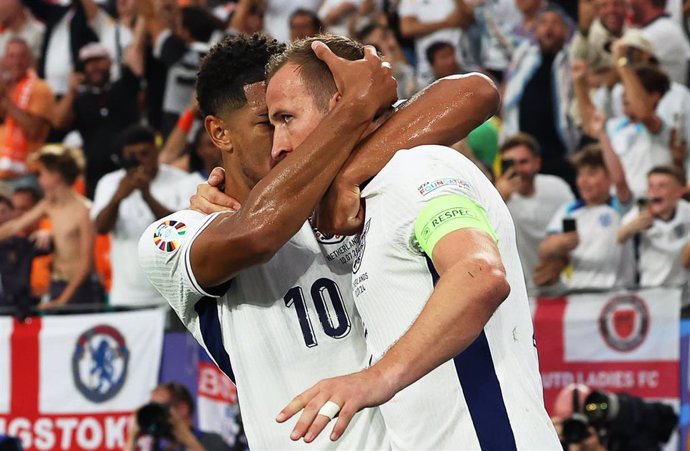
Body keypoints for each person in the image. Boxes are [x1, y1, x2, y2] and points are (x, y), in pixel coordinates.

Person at [139, 32, 498, 448]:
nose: (280, 141)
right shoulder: (176, 234)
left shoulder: (349, 187)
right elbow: (258, 233)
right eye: (266, 122)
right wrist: (356, 110)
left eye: (287, 117)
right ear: (220, 134)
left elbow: (474, 92)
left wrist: (349, 172)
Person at [265, 35, 557, 449]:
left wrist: (376, 379)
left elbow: (479, 274)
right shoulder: (369, 196)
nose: (277, 146)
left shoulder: (417, 169)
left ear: (340, 107)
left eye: (286, 118)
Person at [92, 125, 199, 308]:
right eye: (131, 155)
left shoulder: (184, 181)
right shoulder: (109, 182)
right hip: (126, 296)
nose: (139, 160)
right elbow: (101, 228)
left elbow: (184, 232)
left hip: (174, 298)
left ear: (156, 152)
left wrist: (147, 196)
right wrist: (118, 197)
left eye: (144, 153)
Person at [0, 145, 102, 309]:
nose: (39, 180)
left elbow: (86, 264)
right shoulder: (48, 205)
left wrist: (62, 300)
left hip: (81, 289)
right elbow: (14, 227)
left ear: (56, 176)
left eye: (41, 174)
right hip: (57, 285)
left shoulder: (84, 211)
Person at [52, 42, 143, 199]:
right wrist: (72, 90)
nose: (95, 67)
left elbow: (136, 58)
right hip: (96, 175)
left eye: (99, 60)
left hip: (131, 167)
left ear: (110, 62)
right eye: (89, 63)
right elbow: (58, 122)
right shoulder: (79, 100)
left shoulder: (124, 87)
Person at [538, 145, 634, 291]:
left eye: (591, 174)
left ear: (609, 176)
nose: (583, 181)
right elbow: (544, 251)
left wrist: (601, 132)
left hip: (617, 295)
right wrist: (560, 243)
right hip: (577, 295)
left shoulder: (622, 207)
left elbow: (621, 182)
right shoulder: (568, 210)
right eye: (580, 175)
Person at [503, 7, 578, 187]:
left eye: (555, 23)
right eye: (543, 23)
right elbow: (507, 96)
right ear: (535, 30)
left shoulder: (572, 59)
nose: (549, 28)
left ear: (566, 30)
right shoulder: (524, 58)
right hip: (522, 151)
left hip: (558, 153)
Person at [495, 133, 574, 294]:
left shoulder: (557, 188)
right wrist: (498, 197)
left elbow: (575, 233)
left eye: (523, 162)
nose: (517, 169)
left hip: (562, 284)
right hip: (516, 291)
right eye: (510, 163)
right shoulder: (494, 198)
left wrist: (562, 260)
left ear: (537, 163)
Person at [620, 166, 690, 287]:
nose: (654, 191)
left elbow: (685, 261)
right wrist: (630, 228)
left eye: (662, 186)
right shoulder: (640, 213)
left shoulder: (687, 212)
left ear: (678, 192)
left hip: (683, 292)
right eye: (651, 186)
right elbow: (617, 238)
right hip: (652, 291)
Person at [0, 37, 55, 187]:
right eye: (11, 56)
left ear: (30, 59)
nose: (16, 62)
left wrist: (6, 101)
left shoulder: (40, 89)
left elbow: (34, 130)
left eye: (21, 56)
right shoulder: (5, 87)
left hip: (26, 175)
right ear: (4, 60)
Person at [125, 382, 231, 451]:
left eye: (160, 408)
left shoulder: (212, 441)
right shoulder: (156, 446)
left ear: (182, 409)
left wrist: (185, 436)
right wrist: (132, 436)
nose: (155, 414)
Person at [398, 0, 469, 88]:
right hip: (429, 69)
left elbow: (469, 18)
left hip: (460, 60)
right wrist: (445, 23)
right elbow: (407, 28)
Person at [629, 0, 690, 84]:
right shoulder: (657, 27)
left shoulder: (663, 30)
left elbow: (615, 67)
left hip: (665, 95)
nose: (629, 2)